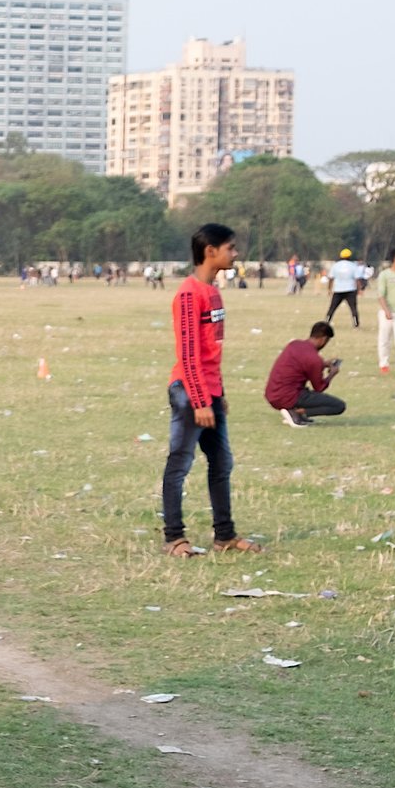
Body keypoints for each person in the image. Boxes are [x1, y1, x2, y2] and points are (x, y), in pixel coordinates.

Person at [162, 223, 259, 557]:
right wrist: (201, 401)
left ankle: (225, 536)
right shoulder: (189, 294)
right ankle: (174, 538)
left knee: (221, 464)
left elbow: (211, 352)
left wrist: (220, 393)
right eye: (230, 248)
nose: (235, 253)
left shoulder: (214, 292)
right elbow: (188, 353)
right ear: (210, 251)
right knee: (180, 463)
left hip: (209, 391)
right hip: (190, 393)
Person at [265, 321, 346, 425]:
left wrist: (323, 364)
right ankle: (296, 413)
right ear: (323, 339)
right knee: (339, 406)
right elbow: (319, 387)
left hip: (272, 394)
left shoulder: (294, 344)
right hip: (289, 396)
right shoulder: (314, 359)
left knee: (305, 392)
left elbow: (299, 365)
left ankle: (294, 412)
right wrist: (332, 374)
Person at [325, 248, 366, 326]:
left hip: (338, 290)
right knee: (353, 308)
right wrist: (360, 289)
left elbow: (331, 278)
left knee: (332, 308)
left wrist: (329, 289)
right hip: (350, 290)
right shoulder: (353, 265)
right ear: (349, 256)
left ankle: (326, 322)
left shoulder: (336, 265)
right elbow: (357, 279)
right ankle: (356, 323)